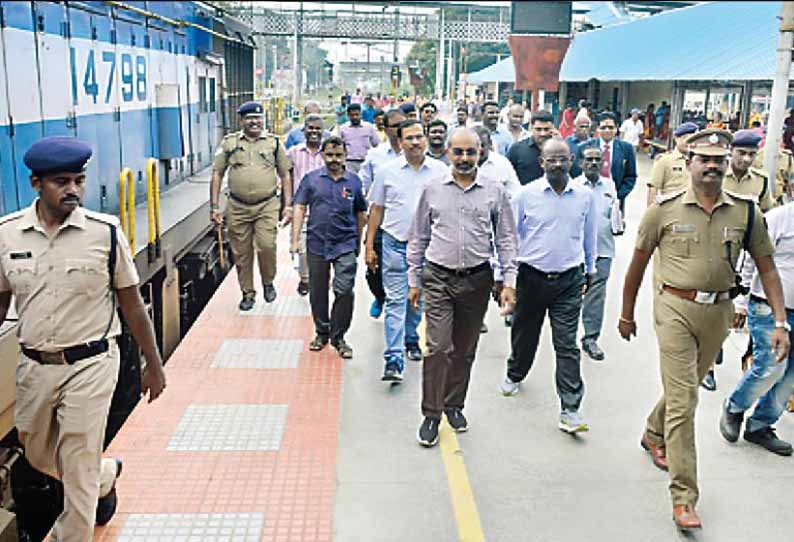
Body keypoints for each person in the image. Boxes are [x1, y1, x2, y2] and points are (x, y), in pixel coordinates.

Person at [618, 128, 788, 531]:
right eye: (703, 159)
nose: (711, 166)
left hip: (719, 314)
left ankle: (652, 432)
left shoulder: (746, 212)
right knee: (685, 403)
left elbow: (767, 267)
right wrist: (627, 314)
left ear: (727, 163)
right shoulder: (664, 209)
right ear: (689, 161)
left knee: (686, 389)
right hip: (674, 306)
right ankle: (684, 497)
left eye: (718, 160)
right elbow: (637, 266)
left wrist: (780, 321)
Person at [0, 136, 167, 539]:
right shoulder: (7, 235)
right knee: (36, 449)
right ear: (36, 184)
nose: (73, 189)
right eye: (61, 181)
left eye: (79, 180)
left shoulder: (105, 233)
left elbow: (132, 304)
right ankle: (104, 474)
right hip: (35, 365)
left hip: (93, 362)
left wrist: (153, 365)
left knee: (76, 461)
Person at [407, 127, 517, 447]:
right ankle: (431, 414)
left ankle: (454, 405)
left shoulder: (495, 191)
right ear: (448, 153)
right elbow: (419, 238)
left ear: (481, 152)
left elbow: (506, 239)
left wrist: (508, 280)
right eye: (459, 152)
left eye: (471, 152)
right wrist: (415, 280)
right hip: (438, 277)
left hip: (477, 280)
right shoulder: (432, 189)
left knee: (464, 351)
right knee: (439, 348)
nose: (465, 158)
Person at [501, 138, 598, 434]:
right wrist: (508, 277)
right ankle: (515, 373)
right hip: (530, 277)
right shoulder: (524, 196)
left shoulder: (584, 196)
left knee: (566, 344)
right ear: (542, 163)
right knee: (525, 334)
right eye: (551, 159)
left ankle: (571, 408)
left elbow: (589, 235)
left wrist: (590, 268)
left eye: (563, 159)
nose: (557, 164)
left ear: (572, 161)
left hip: (569, 280)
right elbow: (509, 237)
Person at [366, 120, 448, 382]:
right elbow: (376, 209)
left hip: (428, 247)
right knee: (396, 300)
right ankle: (393, 359)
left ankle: (412, 339)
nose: (415, 142)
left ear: (425, 140)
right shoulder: (387, 172)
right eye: (409, 138)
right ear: (400, 142)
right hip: (395, 245)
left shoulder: (440, 171)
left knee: (419, 301)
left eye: (418, 137)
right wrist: (369, 245)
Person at [699, 128, 777, 391]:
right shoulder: (716, 174)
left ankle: (717, 342)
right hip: (715, 251)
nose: (745, 159)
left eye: (751, 155)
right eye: (741, 153)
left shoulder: (762, 180)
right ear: (730, 152)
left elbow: (767, 214)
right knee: (712, 307)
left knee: (733, 310)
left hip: (745, 256)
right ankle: (708, 365)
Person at [720, 199, 794, 456]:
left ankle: (760, 425)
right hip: (767, 307)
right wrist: (740, 303)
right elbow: (751, 260)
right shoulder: (777, 219)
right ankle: (735, 406)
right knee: (771, 367)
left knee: (790, 377)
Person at [211, 101, 292, 310]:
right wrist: (214, 206)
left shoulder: (274, 143)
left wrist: (288, 205)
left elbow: (285, 174)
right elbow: (217, 173)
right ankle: (247, 293)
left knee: (266, 245)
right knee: (241, 252)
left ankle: (268, 282)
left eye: (257, 118)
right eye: (249, 118)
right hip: (237, 206)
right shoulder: (229, 143)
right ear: (242, 120)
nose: (254, 121)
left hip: (267, 204)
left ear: (262, 120)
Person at [291, 136, 367, 359]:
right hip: (317, 243)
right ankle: (322, 332)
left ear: (345, 156)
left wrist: (359, 243)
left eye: (339, 155)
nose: (334, 160)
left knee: (344, 290)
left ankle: (339, 336)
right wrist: (295, 240)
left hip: (344, 244)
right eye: (330, 155)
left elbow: (361, 213)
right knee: (318, 291)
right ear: (323, 155)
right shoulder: (311, 180)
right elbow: (299, 207)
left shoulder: (354, 181)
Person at [474, 125, 521, 330]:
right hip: (474, 230)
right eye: (476, 146)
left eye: (482, 146)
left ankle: (507, 305)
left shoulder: (502, 165)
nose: (479, 151)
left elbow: (515, 194)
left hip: (499, 227)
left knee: (503, 273)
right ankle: (477, 316)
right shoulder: (462, 164)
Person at [573, 146, 618, 362]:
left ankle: (590, 338)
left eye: (597, 160)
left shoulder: (610, 186)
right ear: (580, 163)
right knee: (572, 296)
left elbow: (614, 214)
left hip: (603, 250)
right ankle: (567, 338)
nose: (593, 163)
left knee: (596, 297)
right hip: (577, 255)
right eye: (588, 159)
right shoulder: (572, 187)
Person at [360, 109, 406, 319]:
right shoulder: (375, 156)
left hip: (406, 223)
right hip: (380, 220)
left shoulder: (415, 155)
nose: (399, 130)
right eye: (395, 126)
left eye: (403, 125)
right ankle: (380, 296)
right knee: (374, 269)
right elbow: (365, 189)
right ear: (385, 129)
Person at [287, 114, 326, 296]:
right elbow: (285, 176)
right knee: (302, 249)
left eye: (318, 128)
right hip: (300, 209)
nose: (314, 132)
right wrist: (286, 205)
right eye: (310, 128)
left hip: (324, 209)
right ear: (304, 130)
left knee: (322, 248)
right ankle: (305, 279)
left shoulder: (329, 152)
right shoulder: (294, 152)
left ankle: (319, 280)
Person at [578, 112, 637, 214]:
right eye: (603, 127)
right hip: (588, 197)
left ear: (616, 128)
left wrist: (617, 195)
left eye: (610, 127)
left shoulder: (627, 148)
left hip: (615, 200)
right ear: (597, 128)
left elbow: (630, 176)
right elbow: (577, 173)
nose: (607, 130)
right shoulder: (585, 147)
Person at [646, 122, 698, 206]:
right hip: (670, 210)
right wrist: (651, 213)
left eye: (693, 140)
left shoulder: (699, 161)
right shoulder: (664, 160)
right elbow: (653, 188)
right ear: (676, 138)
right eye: (686, 139)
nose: (689, 143)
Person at [507, 110, 555, 185]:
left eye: (546, 129)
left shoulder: (560, 150)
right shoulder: (517, 149)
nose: (543, 133)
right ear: (531, 128)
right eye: (538, 129)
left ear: (553, 128)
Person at [338, 103, 380, 174]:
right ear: (348, 115)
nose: (355, 117)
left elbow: (376, 144)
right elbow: (338, 145)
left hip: (366, 161)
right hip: (349, 162)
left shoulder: (369, 127)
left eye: (357, 115)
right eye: (352, 115)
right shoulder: (343, 128)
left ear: (361, 114)